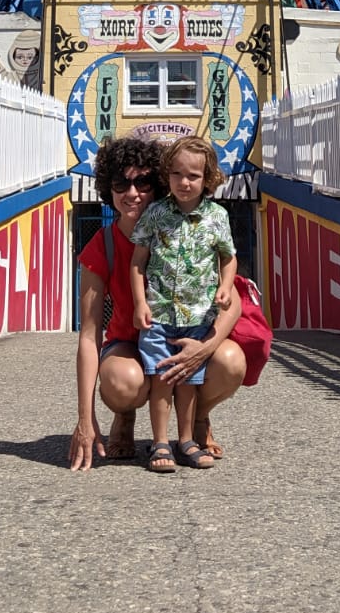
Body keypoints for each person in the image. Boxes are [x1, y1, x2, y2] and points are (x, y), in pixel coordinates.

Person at [68, 134, 245, 472]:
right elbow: (88, 336)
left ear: (160, 184)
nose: (132, 193)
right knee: (123, 382)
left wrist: (204, 349)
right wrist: (85, 419)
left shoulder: (196, 225)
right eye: (121, 183)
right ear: (108, 188)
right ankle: (124, 415)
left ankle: (197, 420)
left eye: (144, 182)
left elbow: (233, 302)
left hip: (187, 334)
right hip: (129, 344)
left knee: (231, 361)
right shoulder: (101, 246)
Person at [130, 136, 237, 472]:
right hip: (160, 312)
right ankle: (160, 443)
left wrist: (227, 286)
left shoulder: (217, 216)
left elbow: (228, 257)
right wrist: (139, 302)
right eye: (177, 174)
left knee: (189, 380)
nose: (184, 182)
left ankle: (186, 440)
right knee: (162, 379)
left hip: (198, 314)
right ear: (168, 175)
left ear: (207, 179)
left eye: (193, 176)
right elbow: (138, 260)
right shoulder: (156, 213)